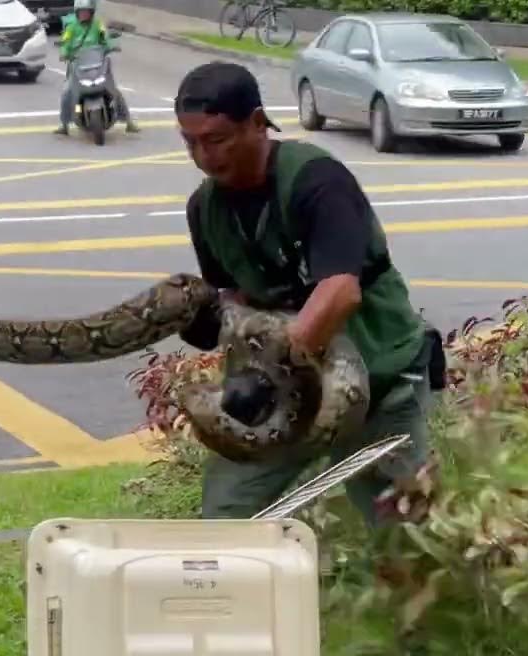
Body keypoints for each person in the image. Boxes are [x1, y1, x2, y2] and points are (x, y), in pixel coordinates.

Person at [172, 61, 438, 526]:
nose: (203, 157)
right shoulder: (204, 209)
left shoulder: (317, 180)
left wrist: (266, 373)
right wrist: (205, 318)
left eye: (216, 140)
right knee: (226, 516)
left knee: (402, 530)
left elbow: (340, 292)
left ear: (257, 123)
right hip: (285, 394)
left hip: (381, 381)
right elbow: (235, 298)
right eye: (190, 142)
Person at [53, 0, 139, 135]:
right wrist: (64, 53)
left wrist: (111, 45)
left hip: (98, 63)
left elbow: (105, 36)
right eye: (81, 12)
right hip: (77, 64)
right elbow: (65, 42)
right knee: (67, 92)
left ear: (92, 12)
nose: (84, 14)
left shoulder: (98, 25)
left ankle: (129, 122)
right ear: (77, 13)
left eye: (86, 12)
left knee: (114, 91)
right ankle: (64, 125)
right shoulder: (71, 28)